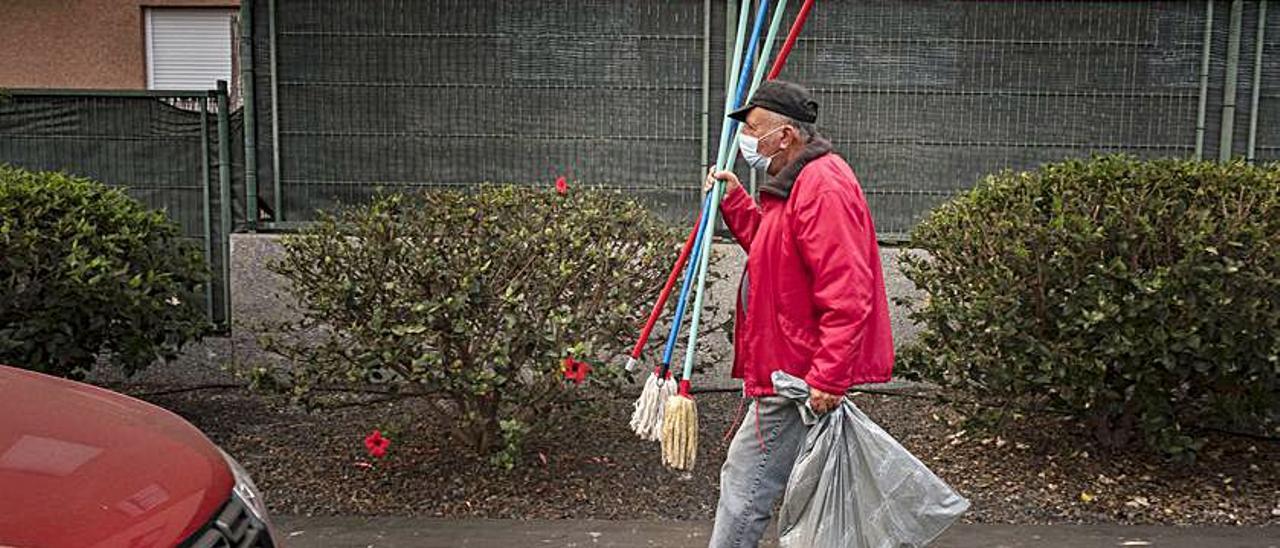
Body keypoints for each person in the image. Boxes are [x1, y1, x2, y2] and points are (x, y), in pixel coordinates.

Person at [704, 80, 894, 548]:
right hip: (792, 365)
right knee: (757, 479)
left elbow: (847, 291)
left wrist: (828, 377)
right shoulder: (799, 182)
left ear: (785, 135)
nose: (746, 141)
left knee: (747, 481)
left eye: (753, 129)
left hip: (796, 373)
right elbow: (779, 259)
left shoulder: (822, 186)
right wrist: (734, 203)